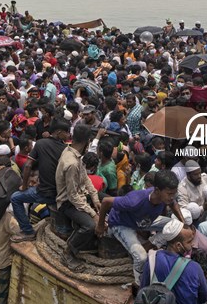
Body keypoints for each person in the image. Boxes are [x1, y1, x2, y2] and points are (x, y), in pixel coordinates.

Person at [95, 170, 182, 282]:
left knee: (176, 226)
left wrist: (183, 222)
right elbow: (106, 201)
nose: (172, 197)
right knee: (141, 258)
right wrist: (101, 225)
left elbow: (173, 203)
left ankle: (149, 244)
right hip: (121, 224)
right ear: (157, 190)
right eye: (169, 194)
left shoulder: (165, 197)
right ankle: (138, 282)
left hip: (143, 221)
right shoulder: (134, 201)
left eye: (173, 194)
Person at [10, 119, 68, 240]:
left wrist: (24, 186)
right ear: (58, 132)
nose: (68, 135)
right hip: (60, 193)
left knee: (15, 198)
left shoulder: (41, 143)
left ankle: (27, 231)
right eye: (66, 132)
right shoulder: (65, 149)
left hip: (45, 192)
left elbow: (27, 165)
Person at [56, 123, 101, 268]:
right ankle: (68, 253)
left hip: (80, 195)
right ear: (87, 142)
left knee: (105, 199)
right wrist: (93, 213)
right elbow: (73, 196)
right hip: (67, 202)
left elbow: (85, 177)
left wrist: (95, 197)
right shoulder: (72, 163)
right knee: (89, 225)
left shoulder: (74, 153)